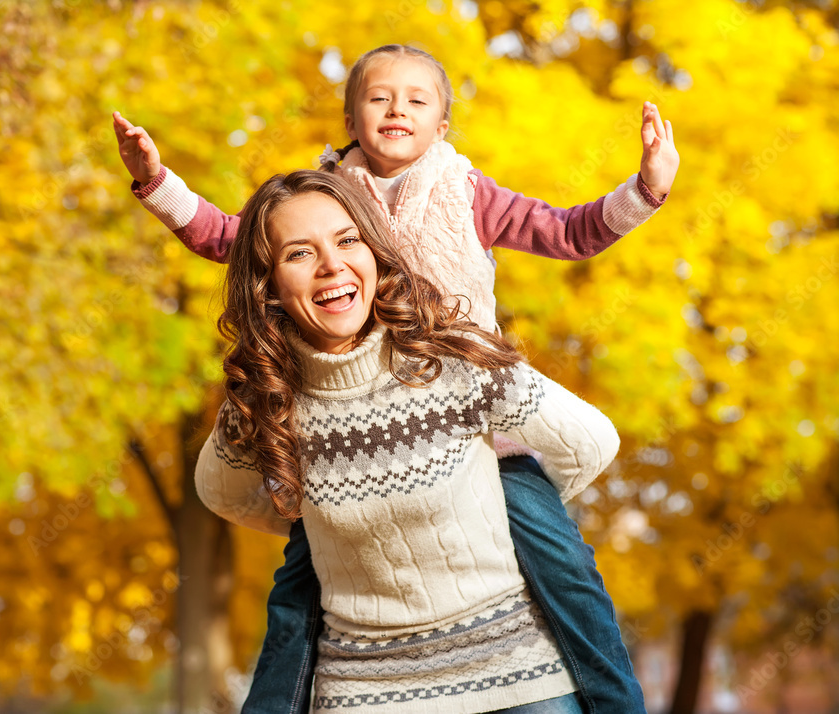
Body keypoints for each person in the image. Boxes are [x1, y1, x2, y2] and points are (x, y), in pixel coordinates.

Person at [115, 44, 678, 712]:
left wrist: (645, 189)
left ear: (443, 124)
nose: (396, 110)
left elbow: (567, 232)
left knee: (565, 567)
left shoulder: (467, 192)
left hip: (478, 427)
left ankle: (616, 703)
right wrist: (157, 183)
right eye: (378, 98)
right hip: (342, 415)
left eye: (417, 100)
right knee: (297, 596)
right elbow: (229, 238)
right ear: (350, 118)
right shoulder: (324, 197)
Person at [196, 168, 621, 713]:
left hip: (518, 673)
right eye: (299, 253)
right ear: (267, 285)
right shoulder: (266, 398)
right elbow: (221, 491)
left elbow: (590, 442)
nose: (332, 265)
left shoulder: (452, 359)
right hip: (363, 689)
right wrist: (318, 521)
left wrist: (503, 499)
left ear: (375, 252)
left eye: (347, 241)